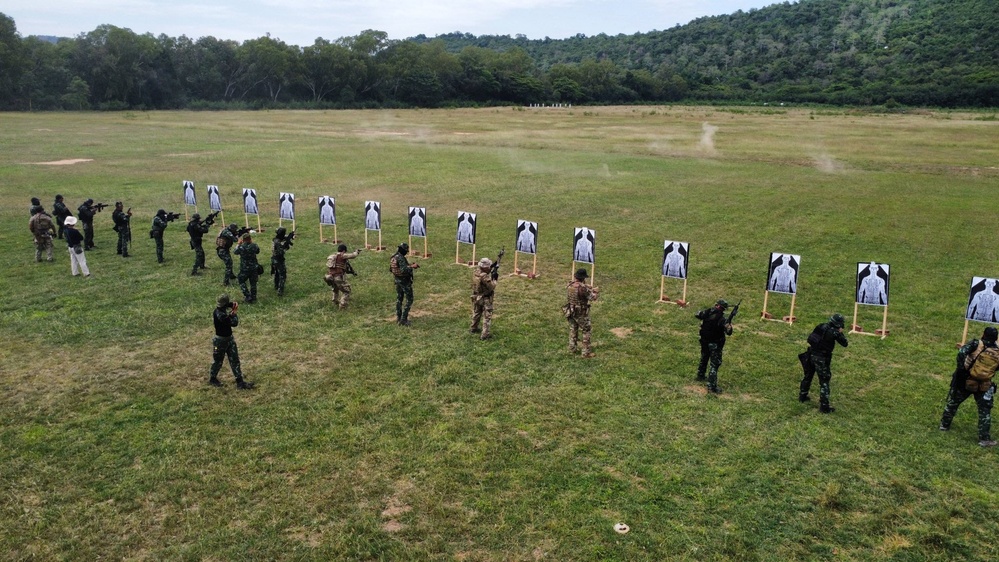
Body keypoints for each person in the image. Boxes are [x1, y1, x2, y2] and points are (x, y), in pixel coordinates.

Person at [940, 327, 999, 447]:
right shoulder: (997, 351)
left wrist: (962, 370)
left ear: (984, 334)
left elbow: (961, 353)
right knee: (985, 411)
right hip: (985, 384)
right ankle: (984, 439)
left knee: (954, 402)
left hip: (967, 380)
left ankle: (944, 425)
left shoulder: (976, 344)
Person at [798, 313, 849, 413]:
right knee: (824, 381)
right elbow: (845, 343)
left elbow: (811, 338)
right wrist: (840, 332)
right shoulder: (834, 332)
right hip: (821, 358)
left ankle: (802, 396)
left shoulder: (821, 326)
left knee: (808, 376)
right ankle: (824, 406)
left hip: (811, 354)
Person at [209, 293, 254, 389]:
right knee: (218, 361)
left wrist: (232, 304)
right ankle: (212, 378)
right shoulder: (220, 315)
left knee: (235, 360)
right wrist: (234, 312)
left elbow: (227, 304)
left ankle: (240, 382)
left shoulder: (219, 309)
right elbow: (234, 323)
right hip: (220, 342)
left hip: (229, 339)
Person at [695, 299, 734, 394]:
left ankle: (700, 375)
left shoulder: (707, 312)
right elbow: (728, 332)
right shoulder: (722, 319)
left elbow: (698, 314)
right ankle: (711, 386)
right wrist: (729, 324)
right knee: (714, 364)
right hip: (715, 344)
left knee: (704, 357)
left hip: (704, 341)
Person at [564, 268, 598, 358]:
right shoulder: (583, 288)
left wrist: (587, 287)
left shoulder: (570, 284)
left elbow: (579, 286)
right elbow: (592, 298)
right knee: (586, 330)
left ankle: (572, 348)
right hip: (581, 312)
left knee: (573, 329)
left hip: (570, 311)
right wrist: (595, 292)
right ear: (583, 278)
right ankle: (586, 352)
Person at [390, 242, 419, 325]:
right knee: (409, 299)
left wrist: (408, 265)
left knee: (399, 299)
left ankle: (398, 317)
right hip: (404, 281)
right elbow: (404, 270)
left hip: (397, 280)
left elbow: (392, 269)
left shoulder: (394, 257)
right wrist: (412, 267)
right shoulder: (401, 258)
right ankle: (403, 319)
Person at [325, 243, 362, 309]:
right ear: (344, 251)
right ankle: (342, 305)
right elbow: (353, 256)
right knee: (346, 291)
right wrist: (357, 252)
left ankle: (335, 301)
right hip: (338, 277)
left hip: (330, 276)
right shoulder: (342, 255)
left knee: (335, 289)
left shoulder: (332, 256)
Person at [470, 257, 498, 340]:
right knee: (487, 316)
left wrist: (492, 266)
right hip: (485, 298)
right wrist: (494, 279)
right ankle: (485, 335)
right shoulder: (485, 277)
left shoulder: (476, 272)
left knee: (477, 313)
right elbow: (492, 287)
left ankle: (473, 328)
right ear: (485, 268)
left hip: (476, 296)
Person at [234, 232, 260, 303]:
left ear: (243, 239)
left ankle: (247, 295)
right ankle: (254, 297)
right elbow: (258, 251)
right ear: (250, 239)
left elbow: (235, 252)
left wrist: (238, 244)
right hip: (253, 267)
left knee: (241, 280)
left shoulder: (241, 247)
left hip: (244, 268)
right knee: (253, 283)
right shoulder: (254, 246)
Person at [271, 227, 292, 296]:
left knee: (277, 273)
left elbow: (284, 238)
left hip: (273, 259)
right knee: (282, 275)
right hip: (279, 260)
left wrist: (289, 237)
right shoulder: (278, 243)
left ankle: (276, 285)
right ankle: (280, 291)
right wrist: (285, 246)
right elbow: (281, 252)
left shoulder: (275, 240)